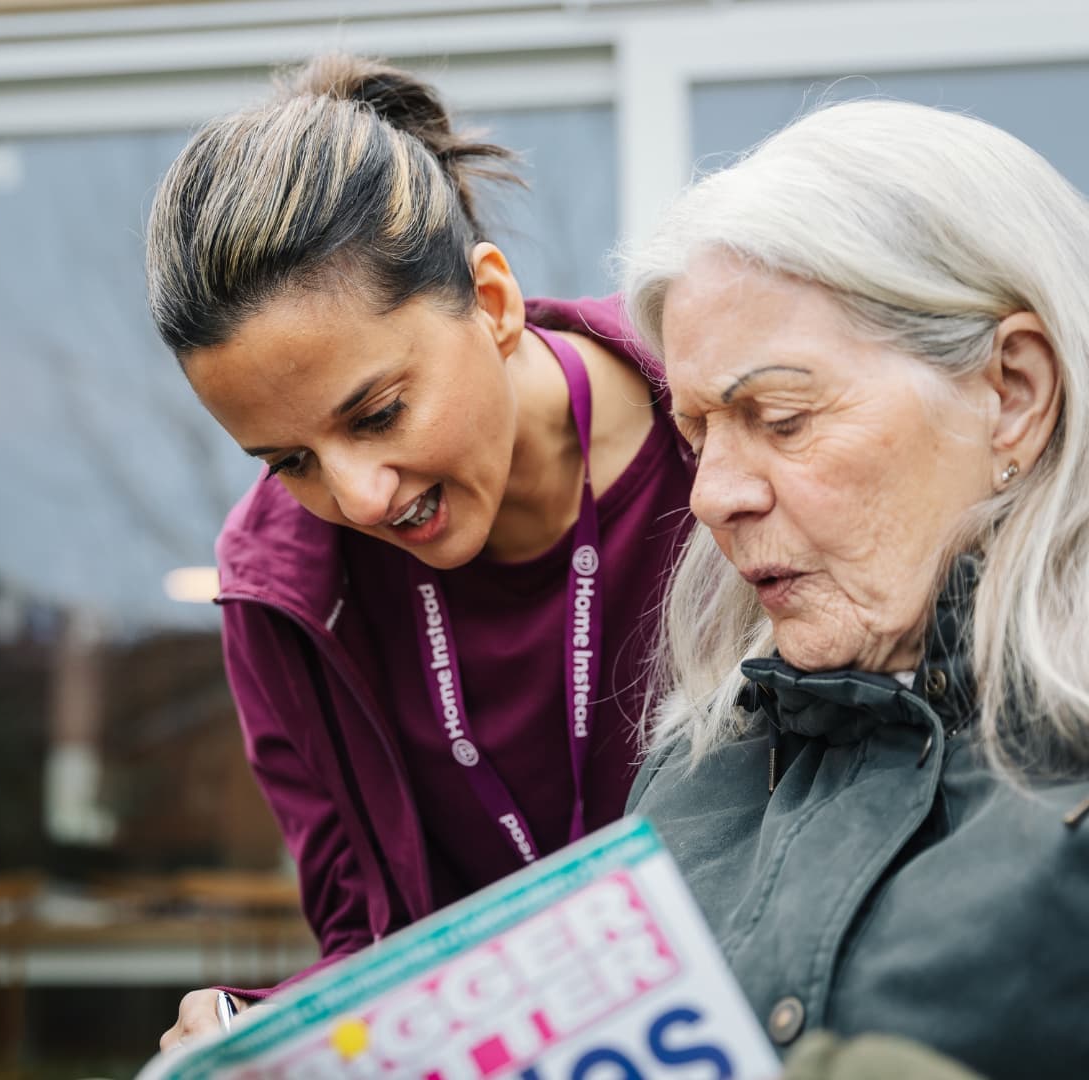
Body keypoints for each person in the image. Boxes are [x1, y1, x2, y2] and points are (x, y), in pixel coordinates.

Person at [145, 54, 695, 1047]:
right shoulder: (280, 588)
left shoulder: (726, 438)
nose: (355, 497)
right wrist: (265, 1032)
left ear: (491, 302)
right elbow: (369, 933)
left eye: (381, 412)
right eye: (289, 461)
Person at [622, 98, 1089, 1079]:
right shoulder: (696, 771)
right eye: (697, 435)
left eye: (782, 417)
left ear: (1013, 394)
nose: (712, 496)